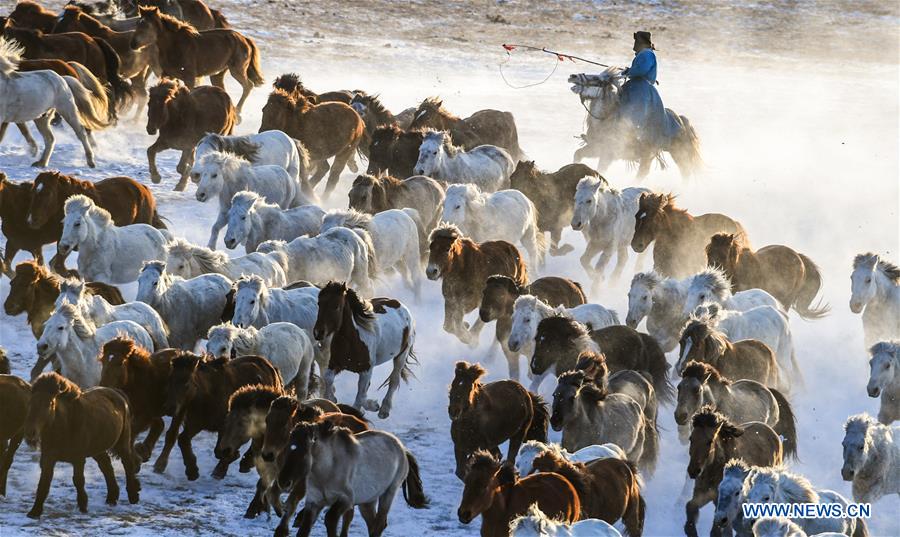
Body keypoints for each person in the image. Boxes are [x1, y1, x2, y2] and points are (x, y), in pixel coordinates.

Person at [619, 31, 680, 148]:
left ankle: (633, 135)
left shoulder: (646, 54)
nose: (634, 44)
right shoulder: (644, 53)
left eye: (636, 41)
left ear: (641, 42)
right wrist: (629, 71)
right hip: (635, 85)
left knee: (636, 108)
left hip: (641, 89)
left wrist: (629, 72)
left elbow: (641, 70)